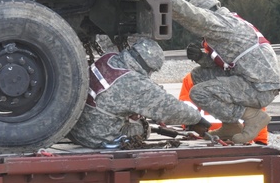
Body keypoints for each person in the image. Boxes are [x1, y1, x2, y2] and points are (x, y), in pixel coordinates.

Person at [168, 0, 280, 144]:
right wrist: (200, 58)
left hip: (259, 88)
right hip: (254, 80)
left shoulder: (224, 24)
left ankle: (252, 116)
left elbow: (193, 15)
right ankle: (231, 125)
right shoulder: (229, 24)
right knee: (199, 75)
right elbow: (227, 63)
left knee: (199, 94)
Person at [67, 38, 210, 149]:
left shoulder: (109, 59)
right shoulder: (134, 82)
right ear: (148, 66)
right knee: (142, 128)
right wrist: (196, 119)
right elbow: (171, 110)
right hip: (94, 137)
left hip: (75, 129)